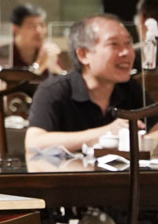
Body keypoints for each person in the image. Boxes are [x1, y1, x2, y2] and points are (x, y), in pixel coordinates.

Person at [26, 14, 143, 152]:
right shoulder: (54, 90)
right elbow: (34, 143)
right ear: (83, 54)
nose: (126, 52)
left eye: (128, 43)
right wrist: (106, 132)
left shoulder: (130, 89)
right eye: (114, 44)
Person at [0, 3, 66, 74]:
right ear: (15, 29)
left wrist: (55, 69)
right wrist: (39, 67)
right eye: (31, 26)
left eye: (42, 25)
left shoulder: (46, 52)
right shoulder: (2, 53)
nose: (39, 31)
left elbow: (65, 86)